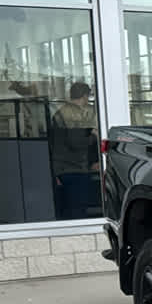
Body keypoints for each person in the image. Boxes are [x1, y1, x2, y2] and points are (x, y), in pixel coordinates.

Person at [50, 81, 100, 218]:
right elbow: (76, 143)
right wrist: (94, 136)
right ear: (84, 96)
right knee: (77, 210)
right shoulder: (73, 115)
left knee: (69, 208)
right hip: (73, 169)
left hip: (64, 168)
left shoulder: (62, 111)